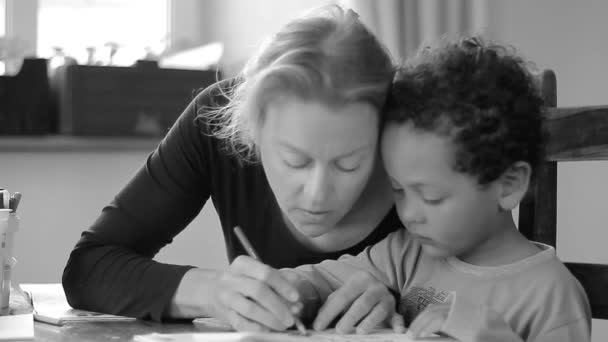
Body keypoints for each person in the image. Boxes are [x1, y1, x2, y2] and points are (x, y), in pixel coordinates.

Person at [61, 4, 403, 332]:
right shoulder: (214, 121)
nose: (317, 193)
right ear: (250, 129)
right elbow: (89, 268)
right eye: (294, 161)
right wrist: (210, 292)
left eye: (349, 165)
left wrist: (410, 300)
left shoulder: (420, 146)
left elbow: (453, 288)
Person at [278, 36, 591, 341]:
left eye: (431, 196)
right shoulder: (405, 253)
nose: (409, 214)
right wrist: (279, 290)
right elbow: (317, 282)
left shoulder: (552, 298)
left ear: (508, 185)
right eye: (398, 190)